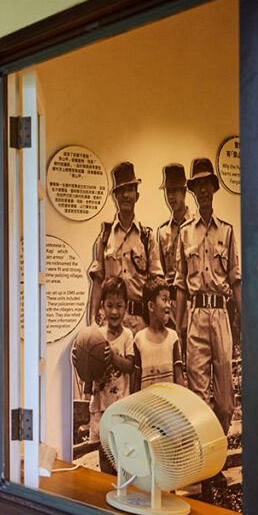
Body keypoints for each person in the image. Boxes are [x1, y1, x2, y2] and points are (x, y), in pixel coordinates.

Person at [175, 158, 241, 434]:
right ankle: (205, 461)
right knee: (198, 397)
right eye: (198, 185)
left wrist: (246, 320)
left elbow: (236, 278)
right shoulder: (185, 232)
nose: (203, 190)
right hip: (196, 316)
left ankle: (219, 450)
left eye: (206, 184)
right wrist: (179, 326)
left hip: (221, 314)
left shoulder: (226, 230)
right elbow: (180, 283)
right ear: (194, 190)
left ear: (213, 189)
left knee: (225, 402)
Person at [88, 161, 164, 333]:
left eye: (129, 190)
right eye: (121, 191)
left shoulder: (147, 238)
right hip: (110, 320)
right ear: (115, 197)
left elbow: (156, 285)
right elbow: (98, 281)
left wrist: (156, 322)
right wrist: (93, 320)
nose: (125, 195)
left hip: (140, 322)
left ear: (137, 196)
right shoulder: (104, 238)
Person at [80, 276, 135, 473]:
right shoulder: (96, 336)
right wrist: (81, 360)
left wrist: (112, 355)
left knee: (120, 450)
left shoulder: (127, 335)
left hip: (120, 404)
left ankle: (121, 489)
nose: (114, 311)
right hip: (101, 403)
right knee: (103, 450)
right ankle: (106, 487)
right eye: (109, 305)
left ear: (126, 307)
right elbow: (87, 372)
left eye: (119, 306)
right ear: (102, 306)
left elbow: (129, 366)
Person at [132, 276, 184, 392]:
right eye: (164, 300)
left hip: (168, 406)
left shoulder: (173, 337)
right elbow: (136, 381)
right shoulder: (139, 339)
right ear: (151, 306)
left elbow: (179, 377)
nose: (169, 305)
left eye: (169, 300)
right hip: (146, 406)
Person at [157, 163, 191, 290]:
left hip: (191, 300)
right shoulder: (163, 232)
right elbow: (160, 273)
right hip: (170, 301)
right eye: (168, 191)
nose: (170, 197)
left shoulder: (195, 227)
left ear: (184, 191)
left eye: (175, 190)